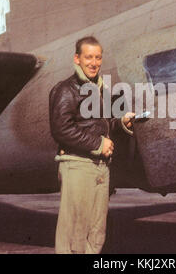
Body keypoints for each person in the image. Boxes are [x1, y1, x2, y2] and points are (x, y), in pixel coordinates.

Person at [49, 36, 135, 254]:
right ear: (77, 59)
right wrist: (98, 143)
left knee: (96, 232)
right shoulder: (66, 89)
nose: (94, 62)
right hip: (78, 166)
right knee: (74, 235)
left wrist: (122, 122)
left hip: (100, 168)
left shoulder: (100, 89)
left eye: (98, 57)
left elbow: (103, 125)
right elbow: (61, 128)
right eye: (88, 57)